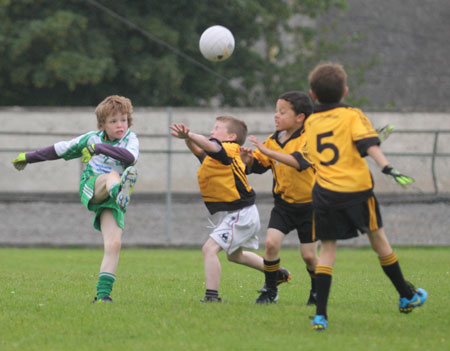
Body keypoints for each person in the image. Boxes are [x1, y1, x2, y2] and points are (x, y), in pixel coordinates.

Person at [300, 62, 427, 331]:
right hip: (357, 192)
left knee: (328, 249)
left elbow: (318, 155)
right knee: (378, 240)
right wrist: (387, 167)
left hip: (325, 194)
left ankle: (321, 315)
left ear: (313, 94)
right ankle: (406, 295)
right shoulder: (352, 115)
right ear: (345, 91)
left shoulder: (310, 123)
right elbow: (369, 146)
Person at [11, 95, 139, 304]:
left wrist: (98, 149)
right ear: (102, 125)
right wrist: (29, 157)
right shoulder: (91, 138)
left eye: (123, 120)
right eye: (113, 121)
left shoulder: (131, 139)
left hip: (112, 198)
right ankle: (119, 190)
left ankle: (103, 296)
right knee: (112, 177)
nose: (120, 125)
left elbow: (130, 158)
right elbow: (59, 149)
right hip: (92, 186)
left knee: (114, 243)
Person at [169, 116, 289, 302]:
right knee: (235, 256)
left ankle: (212, 296)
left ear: (231, 136)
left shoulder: (228, 149)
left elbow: (210, 147)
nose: (212, 132)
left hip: (242, 212)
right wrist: (188, 139)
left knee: (209, 249)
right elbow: (199, 151)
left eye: (217, 128)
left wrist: (191, 134)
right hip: (240, 212)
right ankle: (276, 272)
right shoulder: (217, 154)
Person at [240, 91, 319, 305]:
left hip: (310, 207)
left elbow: (298, 162)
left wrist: (268, 151)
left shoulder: (309, 138)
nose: (276, 116)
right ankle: (270, 290)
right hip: (284, 206)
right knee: (271, 245)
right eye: (276, 111)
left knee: (309, 256)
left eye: (282, 112)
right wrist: (247, 160)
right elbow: (258, 165)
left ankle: (316, 289)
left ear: (300, 117)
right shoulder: (274, 140)